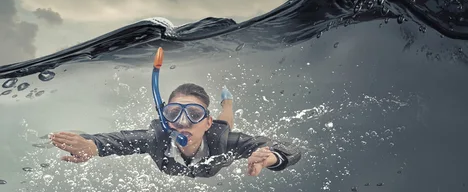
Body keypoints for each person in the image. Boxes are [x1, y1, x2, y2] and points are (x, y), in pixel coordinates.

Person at [49, 84, 301, 178]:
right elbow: (117, 140)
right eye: (173, 113)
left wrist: (274, 158)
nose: (182, 122)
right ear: (165, 118)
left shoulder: (222, 139)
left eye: (194, 114)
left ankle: (228, 103)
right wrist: (92, 146)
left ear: (205, 121)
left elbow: (288, 148)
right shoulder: (156, 137)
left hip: (217, 143)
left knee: (226, 123)